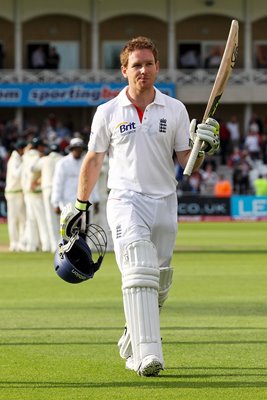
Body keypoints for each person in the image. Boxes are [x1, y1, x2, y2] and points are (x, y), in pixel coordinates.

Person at [59, 36, 220, 377]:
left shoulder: (175, 109)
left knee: (158, 282)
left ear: (157, 67)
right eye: (136, 65)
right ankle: (147, 356)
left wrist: (204, 146)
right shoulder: (108, 111)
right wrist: (79, 204)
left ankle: (133, 336)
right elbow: (93, 159)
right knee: (137, 267)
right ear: (124, 70)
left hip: (165, 200)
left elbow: (186, 161)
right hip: (125, 198)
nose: (143, 70)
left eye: (148, 63)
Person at [51, 137, 100, 219]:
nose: (77, 150)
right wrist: (56, 202)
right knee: (69, 229)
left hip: (85, 202)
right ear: (71, 149)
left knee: (84, 229)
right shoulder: (63, 163)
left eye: (79, 148)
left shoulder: (87, 163)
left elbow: (93, 182)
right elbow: (58, 183)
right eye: (75, 148)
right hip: (67, 201)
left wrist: (96, 200)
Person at [33, 143, 63, 252]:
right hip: (60, 190)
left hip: (47, 189)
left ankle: (53, 245)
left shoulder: (45, 159)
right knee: (62, 218)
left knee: (50, 219)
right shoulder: (63, 159)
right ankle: (62, 244)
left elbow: (33, 168)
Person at [4, 139, 27, 251]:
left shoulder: (18, 158)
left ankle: (21, 242)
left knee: (21, 218)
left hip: (17, 192)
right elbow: (16, 174)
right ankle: (15, 243)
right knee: (14, 219)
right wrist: (24, 163)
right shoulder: (14, 160)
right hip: (13, 193)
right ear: (20, 149)